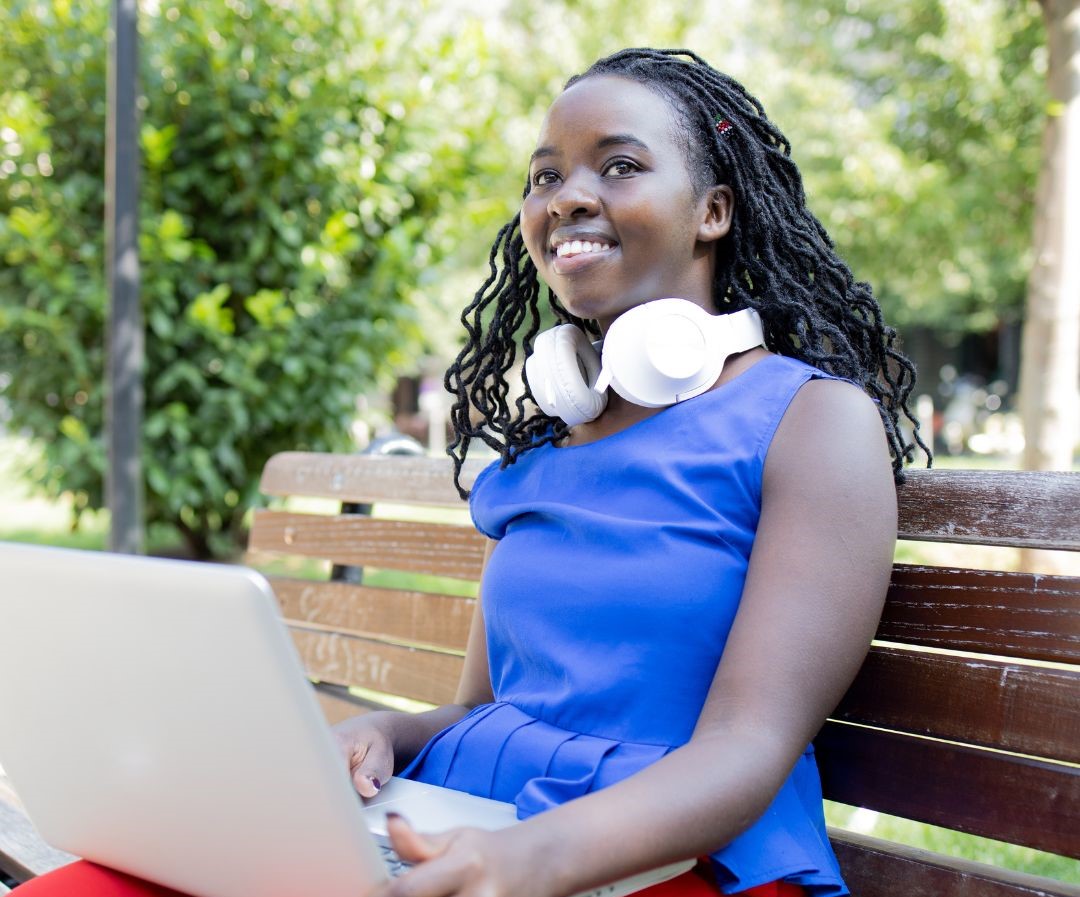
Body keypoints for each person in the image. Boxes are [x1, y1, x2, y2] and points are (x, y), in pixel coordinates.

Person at [19, 48, 926, 897]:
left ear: (714, 211)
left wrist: (527, 858)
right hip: (470, 823)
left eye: (618, 166)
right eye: (546, 176)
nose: (568, 196)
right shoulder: (546, 445)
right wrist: (381, 732)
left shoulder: (810, 422)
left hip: (671, 858)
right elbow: (483, 711)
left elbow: (747, 748)